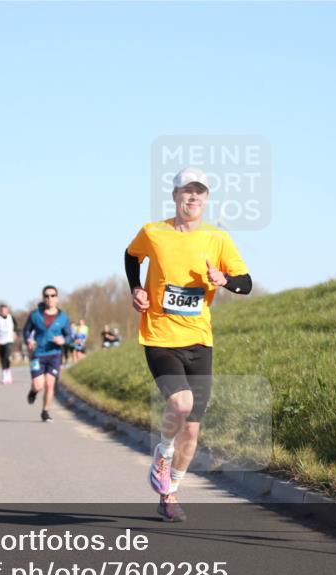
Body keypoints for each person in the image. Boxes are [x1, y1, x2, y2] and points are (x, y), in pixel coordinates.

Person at [125, 166, 252, 521]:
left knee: (193, 431)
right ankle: (162, 453)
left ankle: (170, 492)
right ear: (175, 195)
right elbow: (131, 256)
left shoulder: (218, 239)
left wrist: (224, 279)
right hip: (160, 335)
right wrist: (136, 288)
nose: (192, 197)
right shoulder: (154, 232)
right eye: (186, 191)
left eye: (199, 191)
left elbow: (246, 282)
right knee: (181, 404)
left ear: (206, 198)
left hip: (200, 340)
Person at [22, 285, 72, 423]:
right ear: (43, 298)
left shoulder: (63, 317)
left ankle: (45, 411)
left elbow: (69, 336)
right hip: (38, 354)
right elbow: (26, 331)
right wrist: (29, 340)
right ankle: (33, 391)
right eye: (47, 296)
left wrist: (63, 340)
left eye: (53, 295)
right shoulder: (35, 315)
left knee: (50, 384)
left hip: (54, 354)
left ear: (57, 298)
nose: (50, 298)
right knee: (39, 385)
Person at [0, 304, 17, 385]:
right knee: (2, 358)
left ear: (7, 311)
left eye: (5, 310)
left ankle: (8, 374)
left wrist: (15, 333)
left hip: (9, 340)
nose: (4, 312)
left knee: (6, 356)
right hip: (0, 340)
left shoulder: (11, 317)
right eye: (2, 311)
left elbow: (16, 326)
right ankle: (5, 375)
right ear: (0, 311)